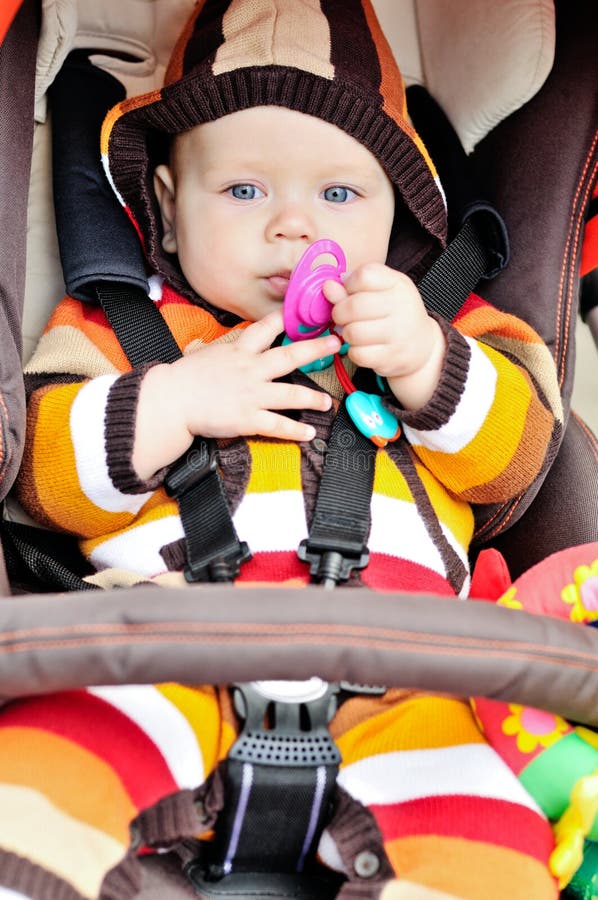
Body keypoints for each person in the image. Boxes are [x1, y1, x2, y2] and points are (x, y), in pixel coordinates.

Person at [3, 1, 580, 897]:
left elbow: (522, 465)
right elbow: (38, 478)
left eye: (339, 195)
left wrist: (429, 365)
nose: (293, 226)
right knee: (35, 782)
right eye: (244, 190)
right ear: (168, 206)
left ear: (397, 213)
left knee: (489, 844)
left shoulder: (448, 332)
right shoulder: (126, 328)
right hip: (162, 651)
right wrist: (174, 400)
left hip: (410, 677)